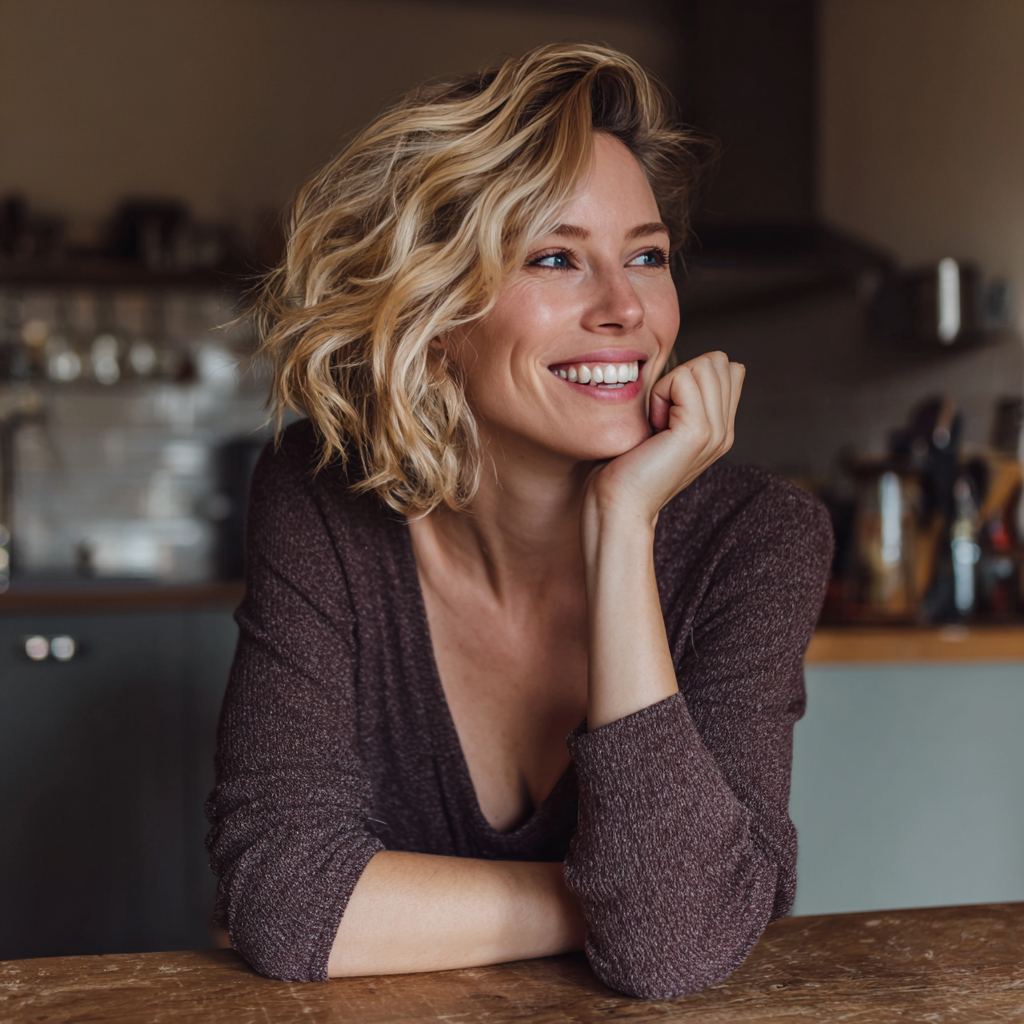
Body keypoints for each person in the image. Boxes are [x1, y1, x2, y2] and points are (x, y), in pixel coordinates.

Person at [205, 43, 832, 999]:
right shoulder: (321, 490)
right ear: (436, 306)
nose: (626, 308)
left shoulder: (758, 539)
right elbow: (289, 905)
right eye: (554, 257)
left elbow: (672, 954)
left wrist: (623, 525)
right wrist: (619, 901)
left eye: (647, 257)